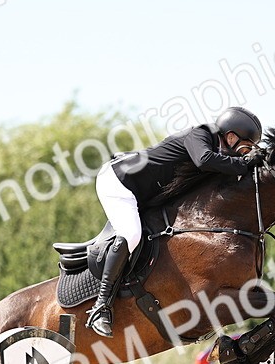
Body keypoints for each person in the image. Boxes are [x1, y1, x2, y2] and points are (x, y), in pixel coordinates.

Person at [87, 106, 264, 337]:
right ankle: (100, 307)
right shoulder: (201, 134)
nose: (244, 154)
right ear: (230, 137)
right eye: (245, 147)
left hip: (146, 195)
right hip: (120, 183)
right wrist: (244, 163)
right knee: (131, 234)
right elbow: (204, 160)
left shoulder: (221, 156)